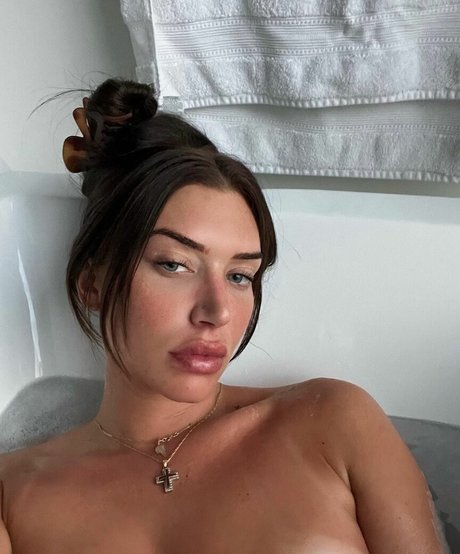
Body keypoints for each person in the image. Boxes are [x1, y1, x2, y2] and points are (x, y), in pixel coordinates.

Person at [0, 78, 446, 553]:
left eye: (239, 276)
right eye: (174, 264)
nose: (217, 312)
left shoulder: (333, 422)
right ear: (92, 282)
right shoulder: (13, 492)